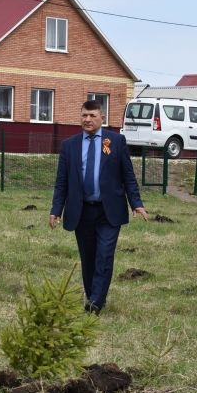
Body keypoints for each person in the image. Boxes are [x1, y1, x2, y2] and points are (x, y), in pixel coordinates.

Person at [49, 100, 149, 314]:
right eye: (84, 115)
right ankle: (94, 295)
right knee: (88, 257)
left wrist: (136, 203)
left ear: (102, 117)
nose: (88, 119)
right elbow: (62, 181)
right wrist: (56, 210)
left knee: (104, 255)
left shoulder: (116, 141)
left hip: (108, 211)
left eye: (92, 115)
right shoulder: (70, 145)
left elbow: (128, 176)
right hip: (81, 211)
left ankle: (95, 302)